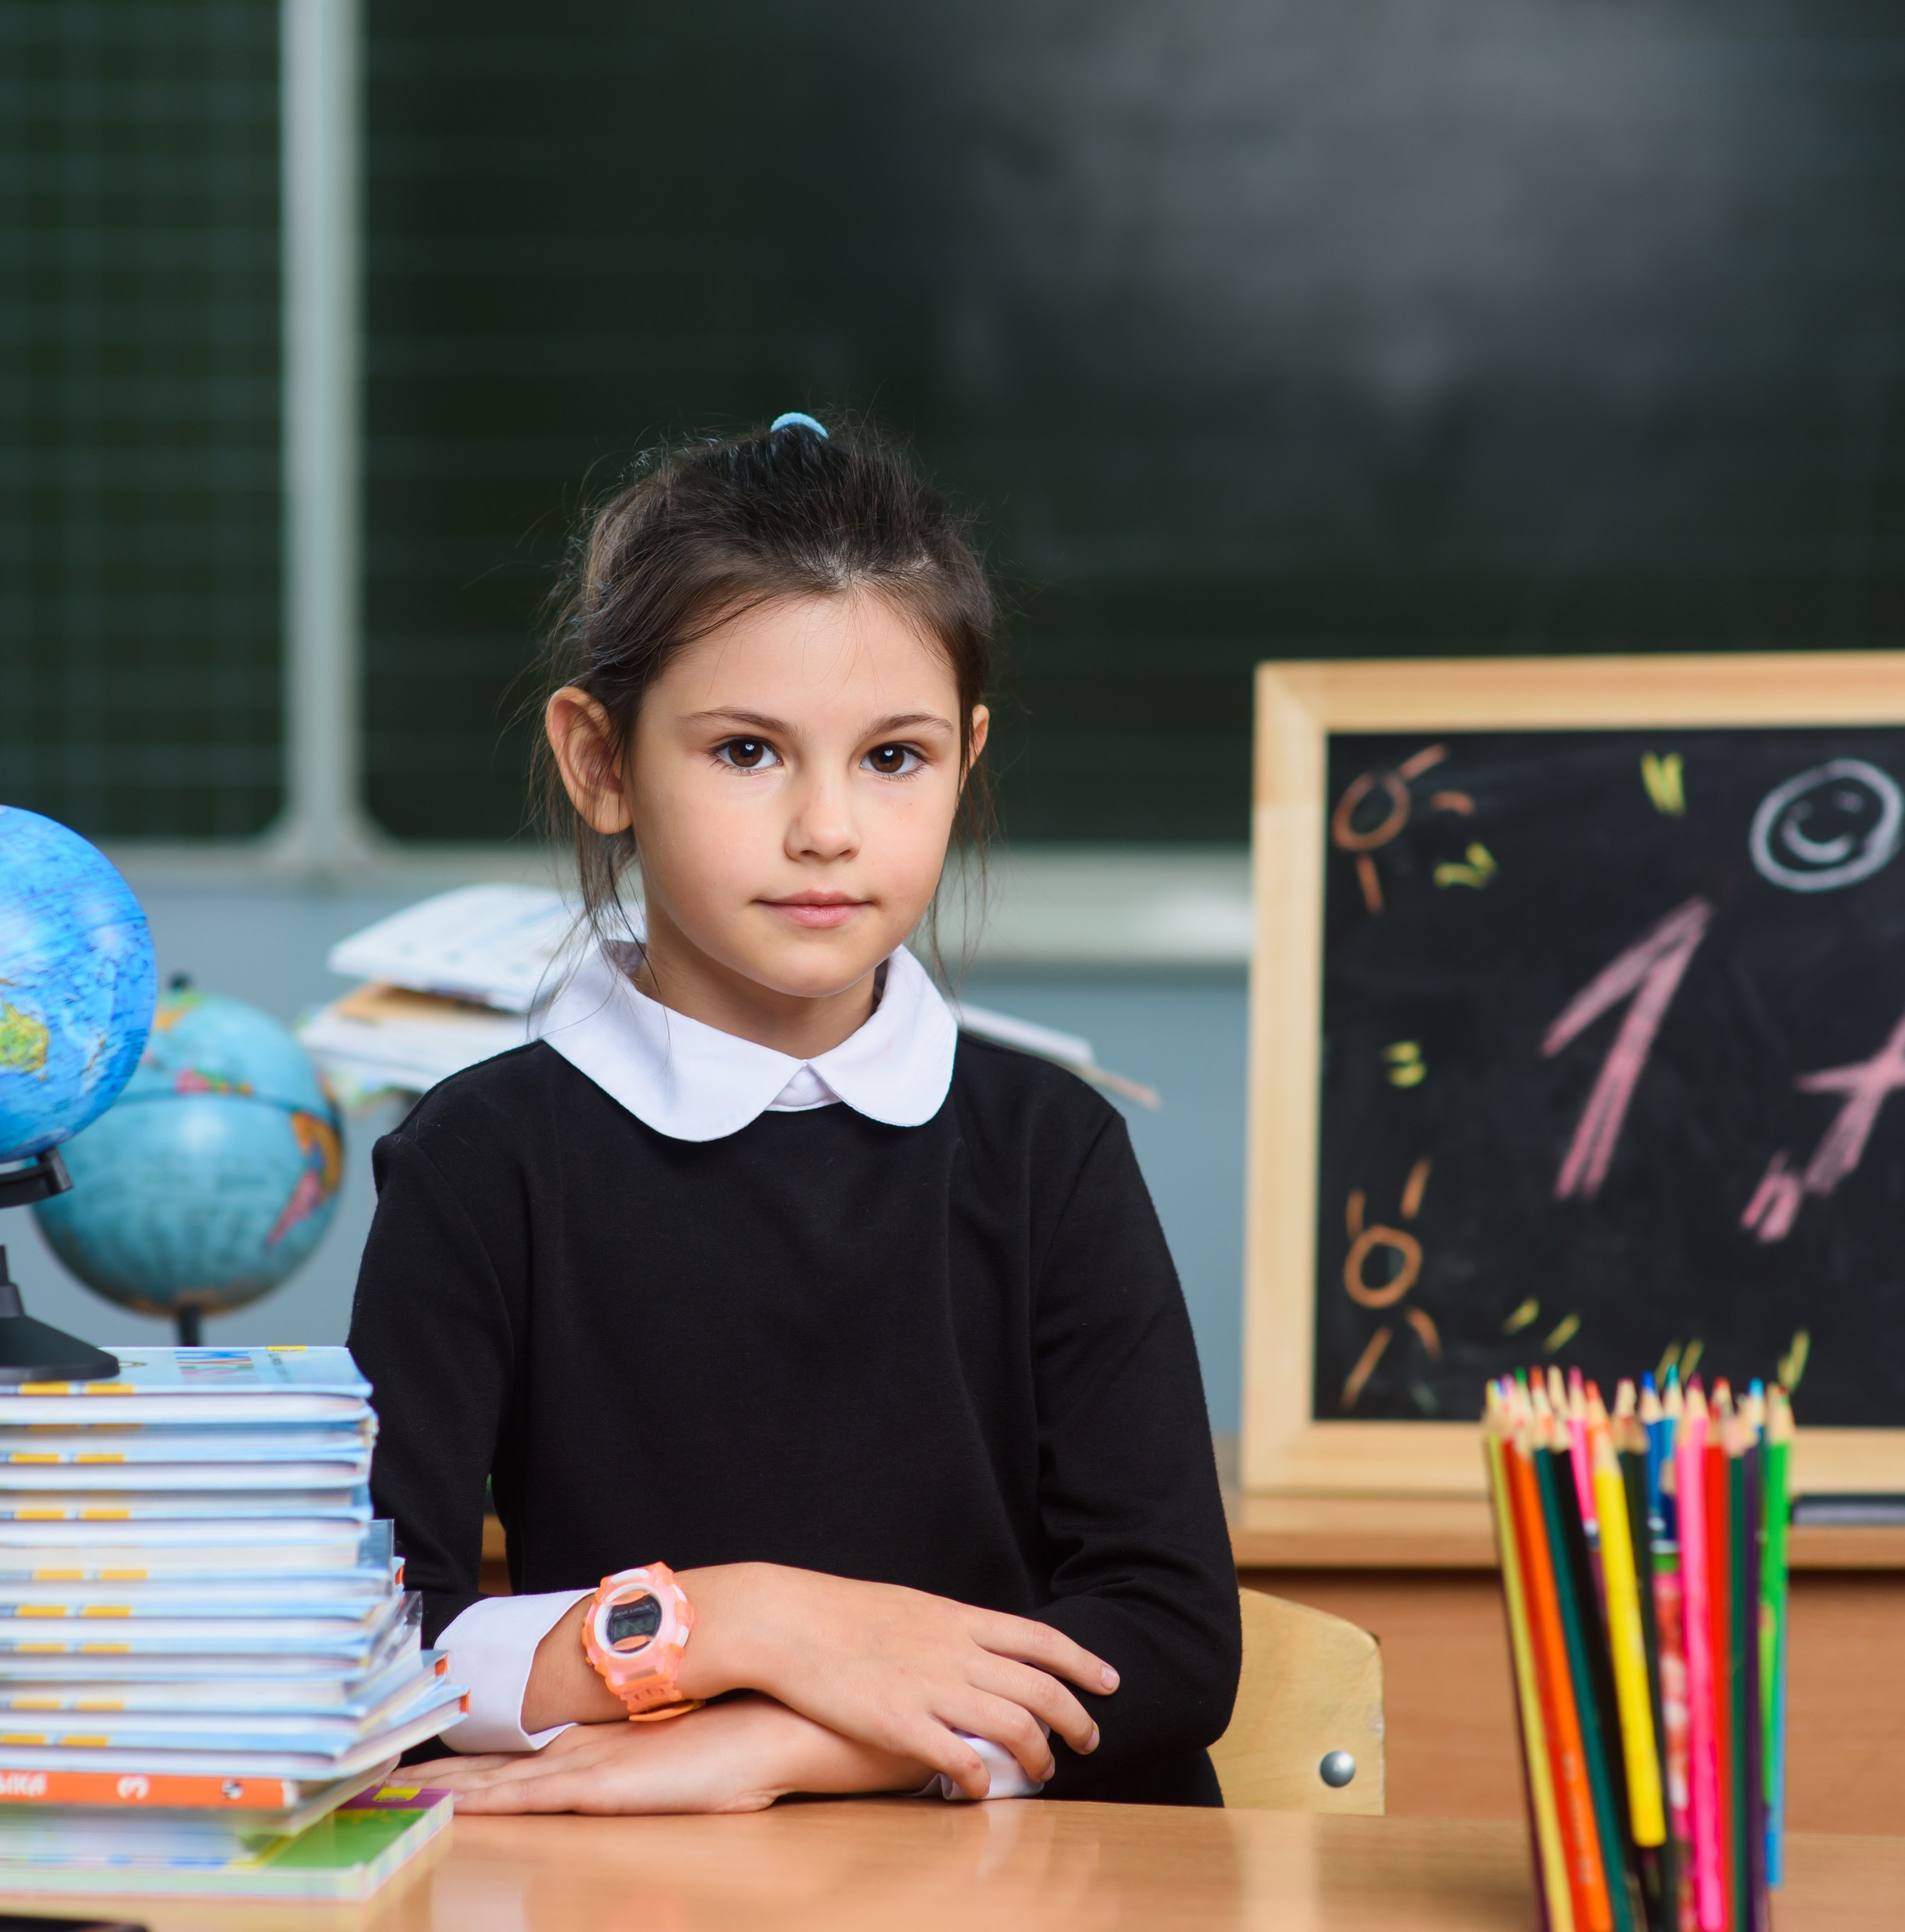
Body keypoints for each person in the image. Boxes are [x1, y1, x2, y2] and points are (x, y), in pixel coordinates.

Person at [347, 414, 1241, 1815]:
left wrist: (778, 1742)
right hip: (664, 1897)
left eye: (895, 758)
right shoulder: (483, 1161)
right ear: (599, 762)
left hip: (1033, 1887)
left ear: (968, 760)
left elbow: (1174, 1646)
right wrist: (748, 1622)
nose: (828, 827)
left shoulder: (1046, 1150)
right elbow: (382, 1652)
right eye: (749, 751)